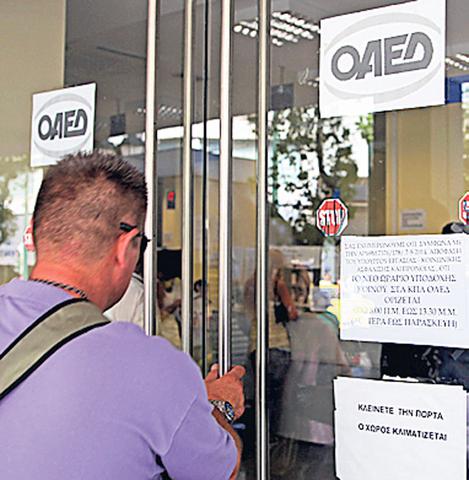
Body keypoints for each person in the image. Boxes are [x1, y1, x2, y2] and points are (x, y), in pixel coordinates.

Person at [0, 151, 245, 480]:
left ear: (33, 233)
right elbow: (221, 471)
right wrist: (217, 407)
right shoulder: (152, 366)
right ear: (125, 245)